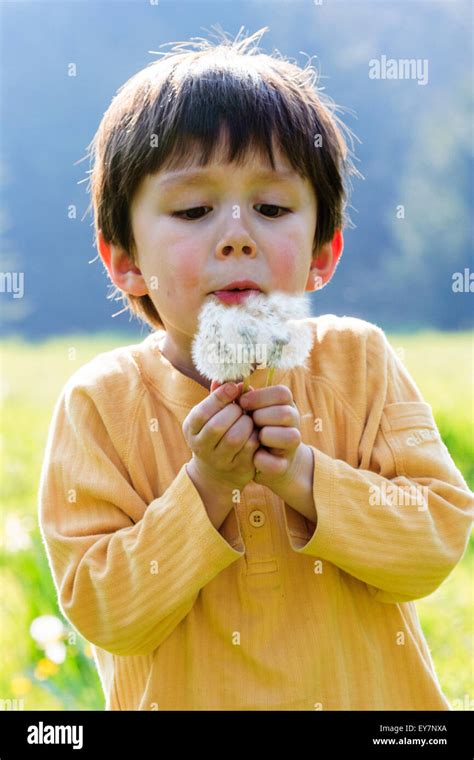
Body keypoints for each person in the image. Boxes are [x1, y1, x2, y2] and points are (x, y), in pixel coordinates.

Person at [38, 28, 473, 710]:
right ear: (124, 260)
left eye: (271, 208)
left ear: (322, 252)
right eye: (193, 209)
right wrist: (206, 487)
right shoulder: (101, 404)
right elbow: (105, 613)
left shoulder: (357, 361)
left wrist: (302, 476)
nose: (237, 232)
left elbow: (434, 544)